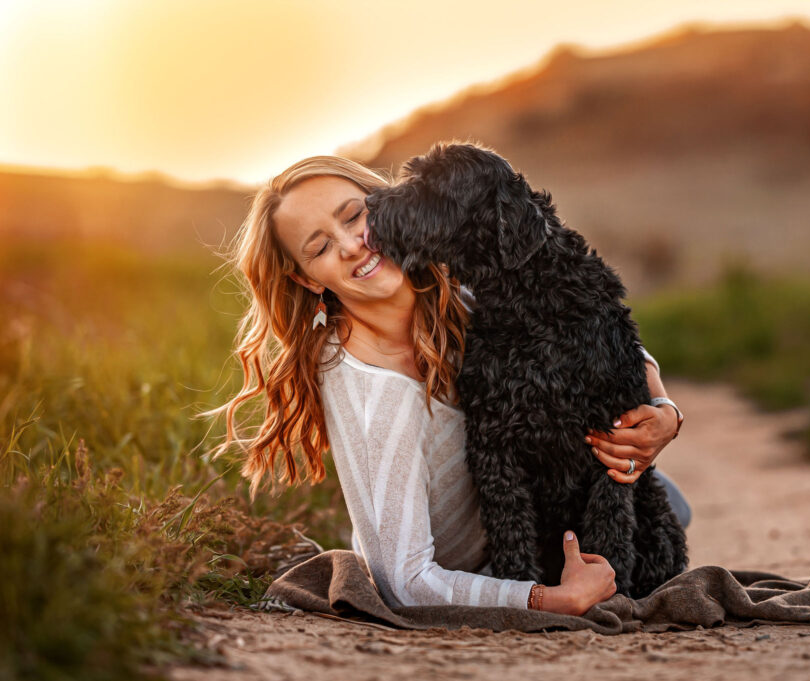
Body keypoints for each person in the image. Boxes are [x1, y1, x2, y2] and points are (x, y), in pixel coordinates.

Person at [208, 154, 691, 617]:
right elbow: (405, 582)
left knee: (668, 504)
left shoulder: (453, 297)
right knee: (664, 514)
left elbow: (593, 337)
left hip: (554, 500)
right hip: (487, 568)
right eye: (320, 247)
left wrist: (663, 411)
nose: (352, 245)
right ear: (307, 278)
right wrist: (545, 600)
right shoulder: (371, 393)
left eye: (354, 216)